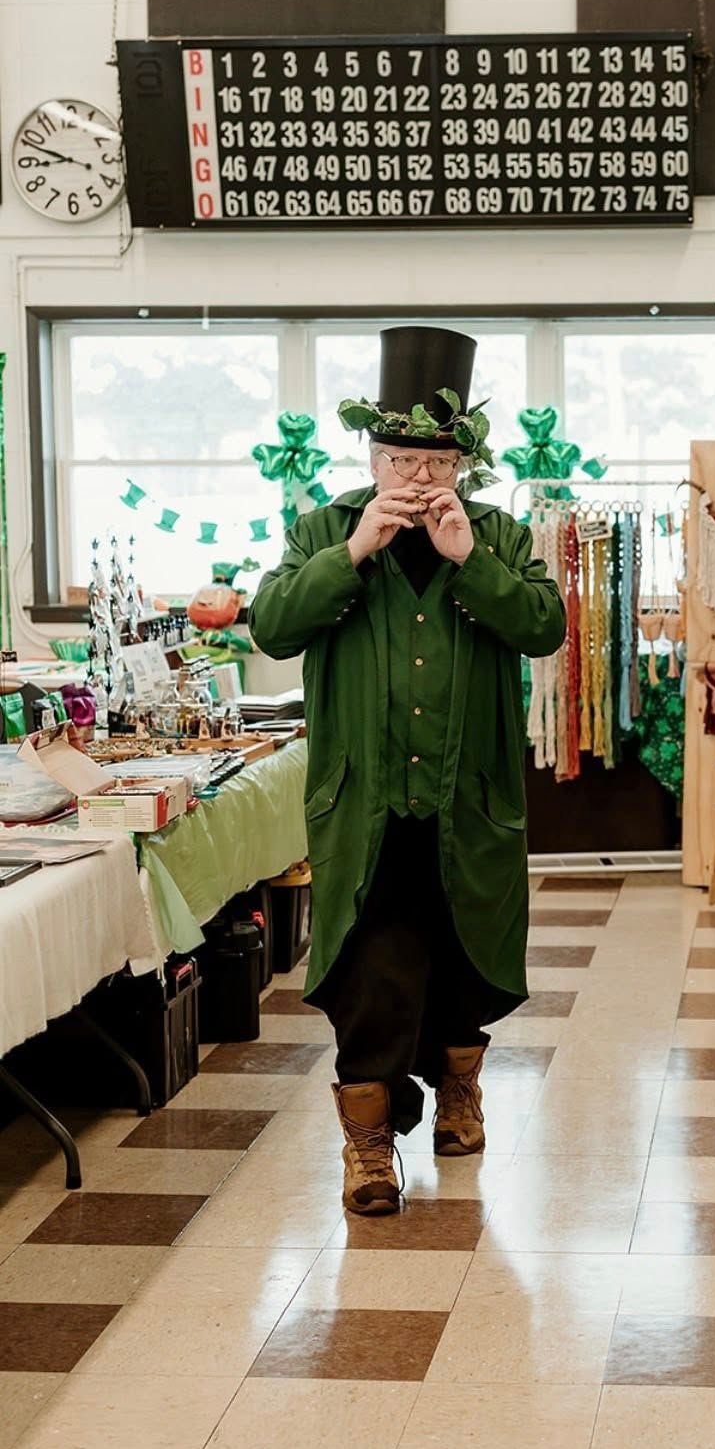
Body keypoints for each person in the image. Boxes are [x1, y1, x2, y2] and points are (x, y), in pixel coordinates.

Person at [249, 327, 566, 1216]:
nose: (416, 478)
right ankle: (367, 1149)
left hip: (470, 799)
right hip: (366, 807)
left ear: (462, 463)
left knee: (467, 958)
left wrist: (473, 563)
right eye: (398, 458)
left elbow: (544, 626)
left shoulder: (497, 533)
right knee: (371, 972)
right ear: (373, 455)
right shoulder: (321, 526)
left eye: (433, 461)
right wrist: (351, 552)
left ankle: (460, 1092)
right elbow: (271, 625)